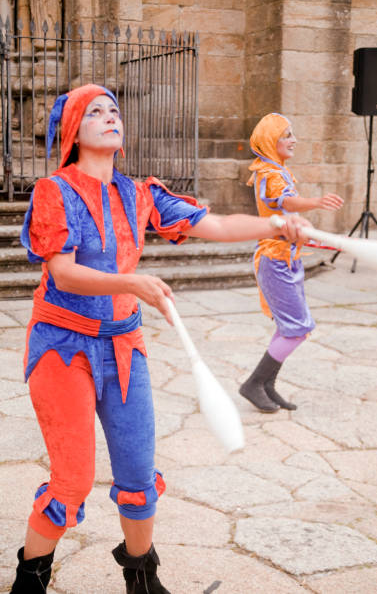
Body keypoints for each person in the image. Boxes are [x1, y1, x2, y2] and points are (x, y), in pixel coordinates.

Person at [10, 85, 311, 594]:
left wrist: (279, 222)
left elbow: (211, 223)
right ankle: (28, 583)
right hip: (63, 348)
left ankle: (144, 585)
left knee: (138, 476)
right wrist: (132, 283)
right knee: (72, 481)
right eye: (95, 112)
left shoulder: (138, 193)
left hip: (123, 349)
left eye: (114, 110)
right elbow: (62, 273)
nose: (110, 117)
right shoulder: (54, 192)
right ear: (73, 131)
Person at [239, 112, 344, 413]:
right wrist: (315, 202)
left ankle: (267, 383)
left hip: (286, 258)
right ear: (271, 141)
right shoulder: (271, 174)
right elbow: (285, 202)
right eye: (286, 135)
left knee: (291, 327)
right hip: (274, 260)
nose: (293, 140)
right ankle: (253, 384)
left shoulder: (276, 170)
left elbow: (286, 212)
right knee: (297, 328)